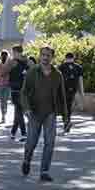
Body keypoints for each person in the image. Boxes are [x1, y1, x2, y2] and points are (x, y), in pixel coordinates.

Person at [20, 45, 67, 182]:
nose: (45, 58)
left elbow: (62, 97)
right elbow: (24, 92)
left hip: (50, 113)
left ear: (52, 57)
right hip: (34, 113)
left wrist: (65, 118)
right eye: (43, 55)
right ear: (40, 56)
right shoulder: (32, 72)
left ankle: (44, 171)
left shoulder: (57, 75)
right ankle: (27, 160)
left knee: (50, 142)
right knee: (31, 142)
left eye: (48, 55)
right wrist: (27, 108)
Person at [6, 47, 29, 141]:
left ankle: (24, 133)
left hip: (15, 90)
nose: (12, 54)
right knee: (18, 111)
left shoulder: (12, 62)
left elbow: (3, 71)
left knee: (19, 111)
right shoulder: (26, 61)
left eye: (13, 52)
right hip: (23, 90)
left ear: (16, 52)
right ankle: (13, 132)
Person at [57, 52, 84, 133]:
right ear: (73, 58)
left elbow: (57, 80)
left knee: (63, 107)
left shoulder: (61, 67)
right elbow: (80, 80)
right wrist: (81, 92)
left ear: (65, 58)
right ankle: (67, 121)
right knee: (69, 107)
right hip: (73, 90)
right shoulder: (78, 67)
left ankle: (66, 122)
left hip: (63, 90)